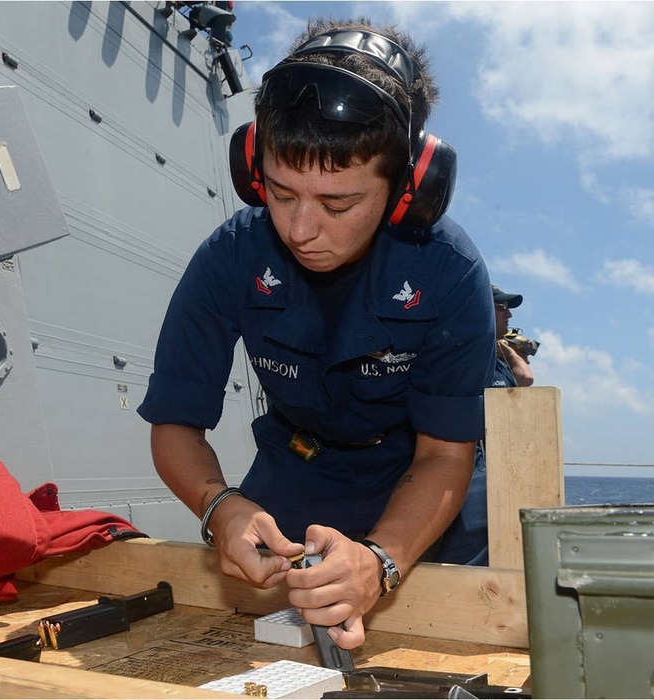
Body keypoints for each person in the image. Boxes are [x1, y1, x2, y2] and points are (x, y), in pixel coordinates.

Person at [137, 17, 496, 650]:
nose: (301, 228)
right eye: (279, 193)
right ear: (254, 168)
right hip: (299, 462)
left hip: (419, 470)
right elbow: (174, 427)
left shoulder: (448, 270)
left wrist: (379, 562)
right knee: (264, 643)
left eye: (337, 205)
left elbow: (444, 456)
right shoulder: (229, 258)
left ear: (407, 189)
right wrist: (220, 508)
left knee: (450, 641)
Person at [435, 284, 535, 565]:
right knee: (463, 555)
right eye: (502, 307)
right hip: (461, 464)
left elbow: (524, 381)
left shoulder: (494, 358)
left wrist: (507, 349)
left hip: (492, 467)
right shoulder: (461, 353)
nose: (509, 315)